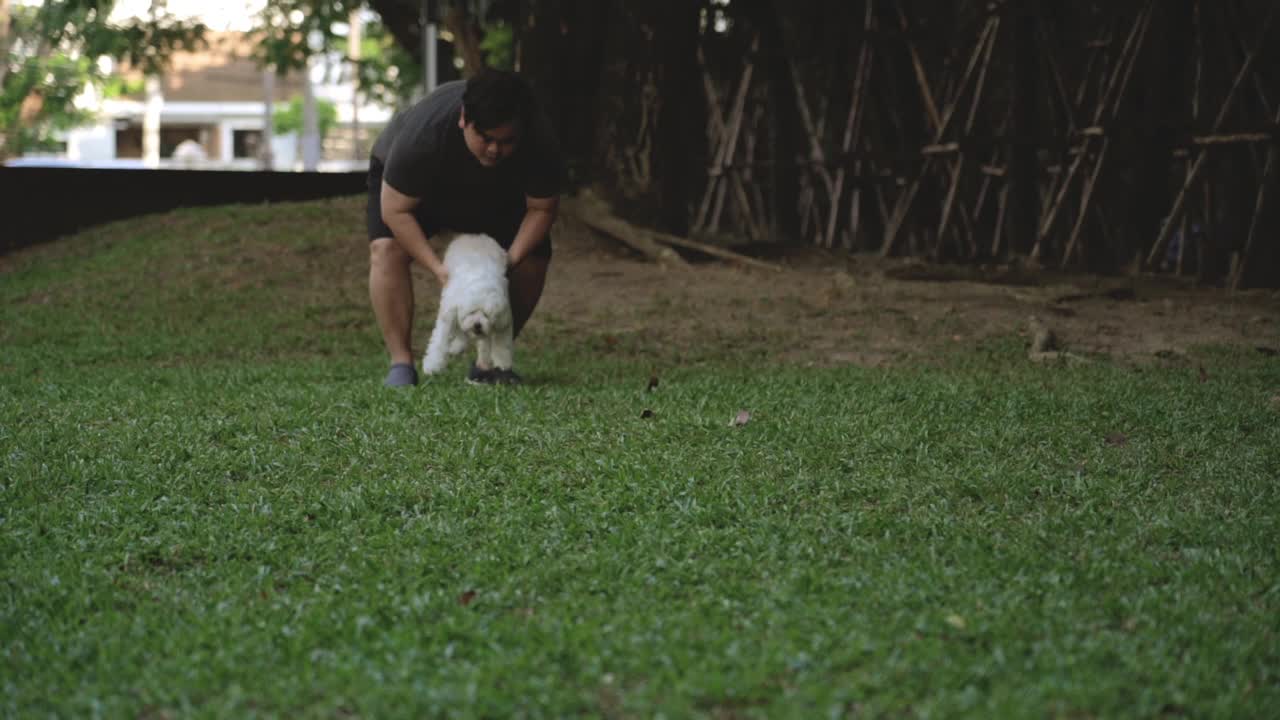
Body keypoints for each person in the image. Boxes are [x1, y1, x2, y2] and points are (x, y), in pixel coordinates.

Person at [366, 70, 563, 387]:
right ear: (463, 119)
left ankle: (488, 364)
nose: (495, 150)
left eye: (506, 141)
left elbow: (542, 209)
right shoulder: (424, 136)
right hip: (419, 190)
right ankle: (401, 363)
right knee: (386, 249)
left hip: (499, 189)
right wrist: (440, 270)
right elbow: (395, 209)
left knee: (534, 258)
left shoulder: (539, 138)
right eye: (486, 138)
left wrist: (505, 265)